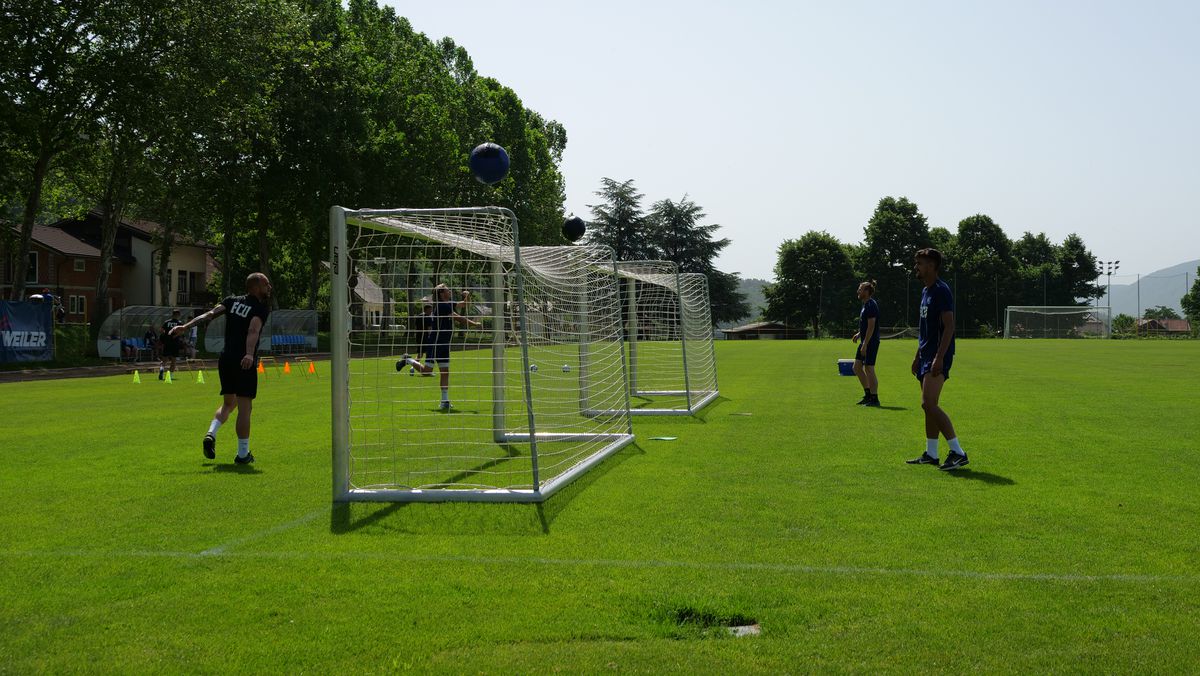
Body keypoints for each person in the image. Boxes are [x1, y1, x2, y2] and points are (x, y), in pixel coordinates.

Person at [171, 272, 272, 464]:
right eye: (266, 284)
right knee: (245, 408)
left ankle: (211, 433)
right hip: (244, 360)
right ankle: (243, 454)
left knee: (229, 404)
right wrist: (249, 354)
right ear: (255, 287)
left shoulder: (231, 301)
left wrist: (185, 326)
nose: (269, 288)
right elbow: (253, 330)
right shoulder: (260, 308)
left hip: (225, 359)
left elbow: (209, 315)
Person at [905, 248, 968, 471]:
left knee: (928, 403)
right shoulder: (925, 291)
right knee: (928, 407)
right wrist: (917, 356)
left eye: (920, 263)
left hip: (938, 357)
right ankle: (931, 453)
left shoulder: (941, 291)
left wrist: (939, 358)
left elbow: (949, 326)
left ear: (932, 265)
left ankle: (958, 452)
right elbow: (925, 331)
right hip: (925, 356)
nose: (917, 267)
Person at [395, 283, 481, 409]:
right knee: (426, 372)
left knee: (445, 372)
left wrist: (468, 296)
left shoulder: (447, 305)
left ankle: (444, 401)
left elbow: (464, 305)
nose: (450, 291)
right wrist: (473, 324)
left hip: (444, 344)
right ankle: (407, 360)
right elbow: (459, 317)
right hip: (435, 343)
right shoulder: (442, 305)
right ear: (441, 294)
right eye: (447, 290)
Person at [850, 280, 881, 407]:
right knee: (857, 367)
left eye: (860, 289)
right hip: (865, 341)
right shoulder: (866, 304)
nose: (858, 291)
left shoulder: (871, 305)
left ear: (867, 291)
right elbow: (866, 326)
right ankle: (868, 395)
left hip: (870, 342)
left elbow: (871, 326)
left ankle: (874, 399)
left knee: (869, 369)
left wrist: (865, 344)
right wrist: (859, 334)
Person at [405, 299, 436, 377]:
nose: (431, 311)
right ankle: (427, 370)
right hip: (426, 338)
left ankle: (413, 367)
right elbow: (429, 329)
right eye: (430, 309)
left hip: (419, 337)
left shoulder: (418, 316)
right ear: (427, 310)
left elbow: (416, 327)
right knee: (429, 353)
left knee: (420, 354)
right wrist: (431, 336)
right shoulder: (428, 317)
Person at [159, 309, 185, 379]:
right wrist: (175, 336)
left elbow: (161, 330)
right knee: (173, 360)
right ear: (178, 315)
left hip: (167, 343)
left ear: (172, 315)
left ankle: (161, 368)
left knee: (164, 359)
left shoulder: (167, 322)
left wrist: (166, 335)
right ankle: (171, 375)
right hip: (175, 343)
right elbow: (182, 332)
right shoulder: (179, 323)